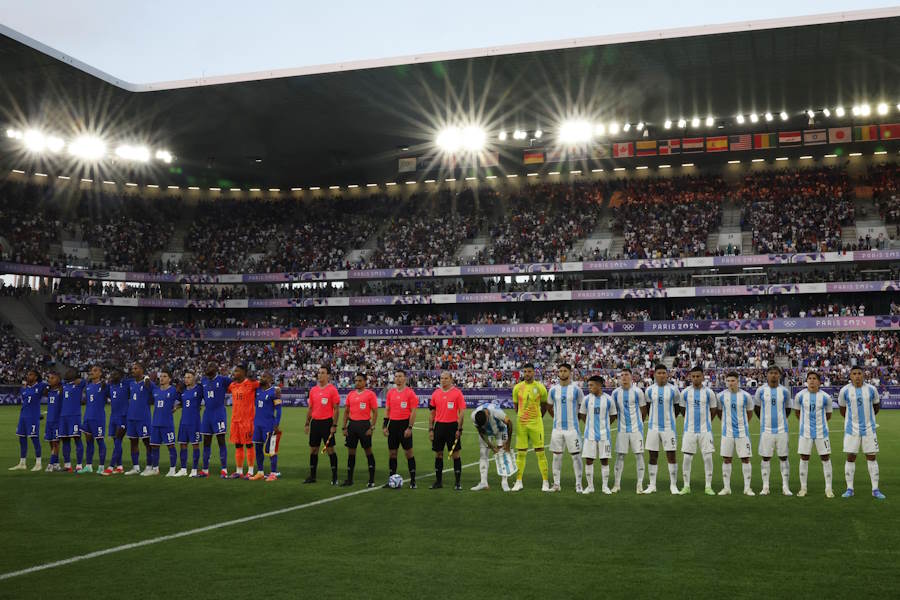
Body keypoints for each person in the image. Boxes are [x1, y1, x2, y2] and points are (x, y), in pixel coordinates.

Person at [837, 367, 885, 500]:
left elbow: (876, 407)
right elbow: (842, 410)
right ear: (850, 376)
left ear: (863, 375)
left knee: (871, 457)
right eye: (854, 374)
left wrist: (868, 420)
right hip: (852, 430)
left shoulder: (871, 389)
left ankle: (875, 489)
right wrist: (852, 421)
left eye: (859, 374)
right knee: (851, 457)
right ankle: (850, 489)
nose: (857, 376)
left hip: (869, 429)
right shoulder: (844, 390)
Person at [510, 363, 550, 492]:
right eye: (525, 371)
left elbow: (544, 406)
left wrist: (537, 417)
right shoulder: (517, 388)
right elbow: (516, 407)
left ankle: (545, 482)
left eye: (529, 371)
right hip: (521, 424)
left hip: (536, 424)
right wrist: (523, 417)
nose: (527, 374)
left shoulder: (540, 388)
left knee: (540, 452)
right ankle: (518, 481)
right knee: (521, 454)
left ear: (534, 372)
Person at [678, 366, 717, 495]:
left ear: (702, 376)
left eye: (698, 376)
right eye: (693, 376)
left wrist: (705, 423)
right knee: (687, 458)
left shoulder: (709, 392)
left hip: (705, 431)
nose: (695, 379)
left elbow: (713, 410)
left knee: (707, 458)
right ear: (690, 377)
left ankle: (708, 486)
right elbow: (683, 410)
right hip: (689, 430)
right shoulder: (685, 392)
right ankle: (686, 486)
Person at [754, 366, 793, 496]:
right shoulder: (761, 390)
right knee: (765, 457)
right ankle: (765, 487)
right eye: (771, 373)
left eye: (776, 373)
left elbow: (788, 409)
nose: (773, 375)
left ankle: (785, 487)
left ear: (780, 375)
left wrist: (781, 420)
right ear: (767, 375)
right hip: (766, 430)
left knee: (783, 457)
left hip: (782, 430)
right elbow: (757, 408)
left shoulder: (785, 391)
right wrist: (765, 420)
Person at [794, 371, 834, 498]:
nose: (812, 381)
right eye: (809, 378)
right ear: (806, 381)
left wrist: (819, 425)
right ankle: (803, 488)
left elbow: (828, 415)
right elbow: (797, 413)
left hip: (822, 433)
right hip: (805, 433)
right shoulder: (800, 396)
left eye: (814, 379)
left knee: (825, 458)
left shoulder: (826, 397)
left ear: (819, 382)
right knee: (804, 458)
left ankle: (828, 489)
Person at [546, 363, 584, 493]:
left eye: (565, 371)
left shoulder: (576, 389)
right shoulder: (553, 390)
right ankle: (556, 485)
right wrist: (556, 418)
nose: (562, 373)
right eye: (560, 371)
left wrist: (575, 420)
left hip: (572, 429)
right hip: (557, 429)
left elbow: (582, 407)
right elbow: (549, 407)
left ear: (570, 372)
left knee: (576, 457)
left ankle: (578, 484)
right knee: (556, 457)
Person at [644, 364, 681, 495]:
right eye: (659, 373)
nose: (661, 375)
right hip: (653, 428)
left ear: (667, 374)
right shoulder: (649, 390)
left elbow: (677, 408)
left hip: (668, 428)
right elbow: (648, 407)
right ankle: (652, 485)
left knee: (671, 455)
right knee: (652, 456)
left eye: (663, 373)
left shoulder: (674, 390)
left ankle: (673, 485)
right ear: (655, 375)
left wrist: (669, 419)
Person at [717, 372, 755, 496]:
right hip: (726, 433)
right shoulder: (721, 396)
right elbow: (718, 412)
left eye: (733, 380)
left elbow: (750, 413)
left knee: (745, 459)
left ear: (738, 381)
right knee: (727, 459)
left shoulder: (746, 396)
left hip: (742, 433)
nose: (730, 383)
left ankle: (747, 488)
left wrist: (742, 425)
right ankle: (727, 488)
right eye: (728, 381)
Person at [611, 367, 648, 494]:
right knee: (620, 456)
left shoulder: (638, 392)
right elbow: (614, 411)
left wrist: (639, 424)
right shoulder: (615, 393)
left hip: (636, 430)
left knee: (639, 455)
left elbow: (644, 410)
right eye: (622, 375)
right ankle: (616, 484)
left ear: (631, 377)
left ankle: (639, 485)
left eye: (626, 375)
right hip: (622, 430)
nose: (624, 377)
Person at [579, 375, 616, 495]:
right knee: (589, 460)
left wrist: (604, 426)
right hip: (589, 436)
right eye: (588, 385)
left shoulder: (609, 399)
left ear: (599, 385)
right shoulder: (586, 399)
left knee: (604, 460)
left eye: (591, 385)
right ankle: (590, 487)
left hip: (604, 436)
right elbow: (583, 414)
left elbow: (613, 415)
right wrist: (590, 426)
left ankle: (605, 487)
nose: (589, 387)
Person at [428, 371, 465, 490]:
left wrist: (459, 428)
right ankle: (438, 482)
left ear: (451, 379)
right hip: (439, 427)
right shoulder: (436, 393)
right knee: (438, 454)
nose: (443, 380)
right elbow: (432, 413)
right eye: (441, 378)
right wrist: (430, 429)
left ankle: (457, 482)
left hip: (452, 426)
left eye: (446, 378)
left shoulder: (457, 393)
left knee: (455, 455)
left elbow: (462, 412)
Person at [339, 373, 378, 487]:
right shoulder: (350, 394)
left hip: (364, 425)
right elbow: (346, 412)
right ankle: (349, 479)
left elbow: (375, 412)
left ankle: (371, 480)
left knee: (368, 452)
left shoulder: (370, 394)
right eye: (356, 380)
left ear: (365, 382)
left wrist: (372, 427)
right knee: (351, 453)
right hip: (352, 425)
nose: (357, 382)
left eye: (360, 380)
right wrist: (344, 426)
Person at [304, 365, 340, 484]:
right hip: (315, 423)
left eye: (323, 373)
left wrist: (334, 425)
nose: (320, 375)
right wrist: (307, 423)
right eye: (319, 373)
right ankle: (312, 476)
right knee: (313, 450)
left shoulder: (332, 389)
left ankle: (334, 477)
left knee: (330, 450)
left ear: (328, 375)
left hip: (327, 423)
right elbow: (310, 408)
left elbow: (336, 409)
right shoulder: (313, 390)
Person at [383, 369, 417, 488]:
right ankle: (391, 480)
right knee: (392, 454)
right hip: (393, 426)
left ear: (405, 378)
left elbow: (413, 412)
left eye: (400, 376)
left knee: (408, 454)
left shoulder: (410, 393)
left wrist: (410, 427)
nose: (397, 378)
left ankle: (413, 481)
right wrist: (384, 426)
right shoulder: (390, 393)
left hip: (404, 426)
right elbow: (387, 410)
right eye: (396, 376)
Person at [470, 402, 513, 491]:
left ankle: (504, 482)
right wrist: (492, 447)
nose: (485, 425)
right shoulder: (474, 416)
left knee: (502, 453)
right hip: (486, 433)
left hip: (501, 430)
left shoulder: (497, 412)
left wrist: (508, 443)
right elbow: (481, 432)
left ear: (487, 416)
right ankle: (483, 482)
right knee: (483, 454)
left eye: (485, 423)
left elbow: (509, 423)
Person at [9, 369, 46, 471]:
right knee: (22, 439)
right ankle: (22, 463)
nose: (28, 376)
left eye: (31, 375)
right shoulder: (23, 389)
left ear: (36, 377)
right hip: (23, 417)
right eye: (28, 374)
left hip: (33, 418)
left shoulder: (41, 386)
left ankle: (38, 463)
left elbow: (52, 386)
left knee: (35, 439)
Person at [199, 362, 232, 478]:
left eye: (210, 367)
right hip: (207, 414)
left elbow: (238, 384)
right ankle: (205, 470)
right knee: (206, 442)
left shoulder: (223, 380)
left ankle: (224, 470)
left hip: (219, 414)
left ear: (216, 369)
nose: (207, 369)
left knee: (221, 441)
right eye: (207, 367)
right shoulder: (203, 381)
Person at [227, 365, 260, 479]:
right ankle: (239, 471)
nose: (234, 372)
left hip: (248, 421)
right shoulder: (232, 385)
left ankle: (250, 471)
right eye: (234, 370)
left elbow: (263, 385)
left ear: (243, 372)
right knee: (238, 445)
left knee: (249, 445)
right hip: (235, 420)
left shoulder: (251, 383)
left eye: (237, 371)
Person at [147, 368, 180, 477]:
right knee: (154, 447)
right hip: (155, 423)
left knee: (170, 446)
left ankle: (172, 469)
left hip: (167, 424)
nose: (162, 378)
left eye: (165, 376)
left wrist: (176, 406)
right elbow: (147, 382)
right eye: (161, 376)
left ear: (169, 379)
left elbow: (183, 399)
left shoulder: (173, 390)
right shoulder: (155, 390)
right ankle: (155, 469)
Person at [250, 372, 282, 482]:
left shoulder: (274, 392)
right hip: (257, 424)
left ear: (270, 379)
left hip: (269, 425)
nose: (261, 378)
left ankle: (273, 473)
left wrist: (276, 424)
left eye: (264, 376)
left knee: (271, 450)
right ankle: (260, 472)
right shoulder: (257, 390)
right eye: (261, 376)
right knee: (258, 449)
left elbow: (279, 410)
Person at [124, 362, 153, 476]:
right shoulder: (130, 383)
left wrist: (147, 379)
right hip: (131, 418)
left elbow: (155, 390)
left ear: (141, 370)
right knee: (133, 442)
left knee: (147, 443)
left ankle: (149, 467)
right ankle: (135, 467)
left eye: (135, 368)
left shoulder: (147, 383)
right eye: (132, 368)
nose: (133, 370)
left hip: (143, 418)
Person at [79, 365, 108, 474]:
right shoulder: (88, 386)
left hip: (98, 418)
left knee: (100, 441)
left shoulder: (105, 386)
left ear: (100, 373)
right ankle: (88, 466)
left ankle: (101, 467)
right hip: (87, 417)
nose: (92, 372)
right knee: (88, 442)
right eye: (91, 371)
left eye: (95, 371)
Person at [174, 370, 203, 477]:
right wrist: (176, 407)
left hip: (194, 422)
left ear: (194, 378)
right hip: (183, 421)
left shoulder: (199, 389)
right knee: (182, 444)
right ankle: (183, 469)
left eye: (189, 377)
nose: (186, 379)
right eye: (185, 377)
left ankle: (194, 469)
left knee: (195, 445)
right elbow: (183, 403)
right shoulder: (183, 391)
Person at [59, 368, 85, 473]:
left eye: (70, 372)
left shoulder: (79, 384)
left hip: (74, 416)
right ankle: (67, 465)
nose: (67, 372)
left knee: (77, 439)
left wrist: (78, 379)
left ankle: (79, 465)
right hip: (63, 416)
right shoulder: (64, 385)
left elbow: (84, 381)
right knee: (65, 440)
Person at [103, 368, 128, 475]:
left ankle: (111, 466)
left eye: (115, 374)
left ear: (121, 375)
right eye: (112, 373)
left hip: (123, 417)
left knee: (118, 440)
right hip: (113, 417)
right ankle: (120, 466)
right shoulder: (110, 386)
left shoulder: (126, 384)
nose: (113, 375)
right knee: (116, 442)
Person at [43, 372, 62, 472]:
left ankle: (51, 464)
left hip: (57, 421)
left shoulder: (61, 391)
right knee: (51, 442)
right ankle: (56, 464)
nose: (50, 380)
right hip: (49, 421)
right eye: (49, 378)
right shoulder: (50, 392)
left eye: (52, 378)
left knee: (56, 443)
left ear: (58, 379)